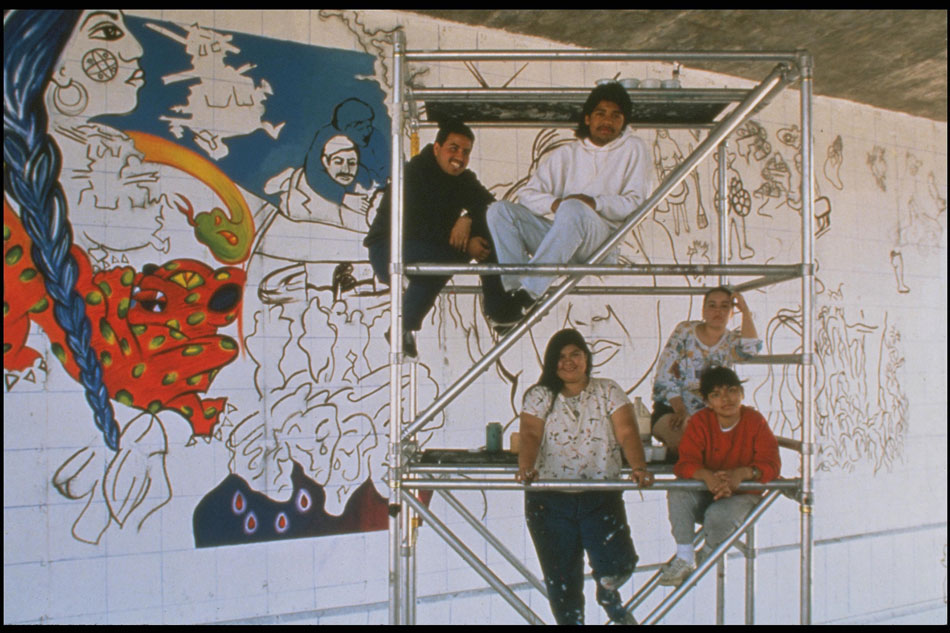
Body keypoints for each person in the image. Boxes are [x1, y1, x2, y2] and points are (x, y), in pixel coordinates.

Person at [517, 328, 653, 625]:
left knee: (619, 564)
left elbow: (628, 431)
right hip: (549, 501)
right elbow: (529, 433)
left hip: (600, 495)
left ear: (587, 358)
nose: (569, 362)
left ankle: (608, 597)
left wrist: (639, 466)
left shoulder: (608, 390)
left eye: (575, 354)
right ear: (551, 363)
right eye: (561, 357)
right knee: (563, 583)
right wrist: (526, 464)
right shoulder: (539, 395)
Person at [363, 119, 523, 357]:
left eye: (466, 152)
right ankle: (402, 325)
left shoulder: (464, 179)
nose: (459, 156)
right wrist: (467, 244)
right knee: (449, 257)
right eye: (453, 148)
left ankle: (498, 311)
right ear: (437, 148)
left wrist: (468, 218)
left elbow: (491, 208)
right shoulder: (413, 173)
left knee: (486, 230)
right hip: (388, 248)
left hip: (431, 249)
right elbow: (413, 227)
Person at [487, 82, 652, 306]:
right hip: (562, 242)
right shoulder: (567, 154)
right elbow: (527, 194)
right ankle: (514, 294)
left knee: (573, 207)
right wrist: (555, 204)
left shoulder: (633, 147)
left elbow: (636, 202)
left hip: (601, 244)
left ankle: (529, 295)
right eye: (600, 114)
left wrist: (595, 203)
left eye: (616, 116)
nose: (607, 122)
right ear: (587, 118)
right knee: (499, 211)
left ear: (623, 123)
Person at [657, 366, 781, 587]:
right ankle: (684, 556)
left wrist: (741, 474)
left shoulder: (754, 420)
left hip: (743, 495)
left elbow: (771, 465)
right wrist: (708, 477)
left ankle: (706, 553)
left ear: (741, 393)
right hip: (707, 491)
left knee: (718, 514)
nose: (726, 399)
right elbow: (685, 463)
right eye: (716, 394)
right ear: (707, 401)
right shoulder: (700, 421)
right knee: (678, 490)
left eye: (731, 391)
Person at [651, 286, 762, 456]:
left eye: (725, 306)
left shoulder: (731, 340)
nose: (718, 311)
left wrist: (745, 311)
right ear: (703, 310)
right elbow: (664, 377)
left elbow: (751, 349)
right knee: (692, 443)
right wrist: (681, 410)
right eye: (712, 305)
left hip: (713, 414)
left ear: (732, 312)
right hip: (673, 410)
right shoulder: (685, 330)